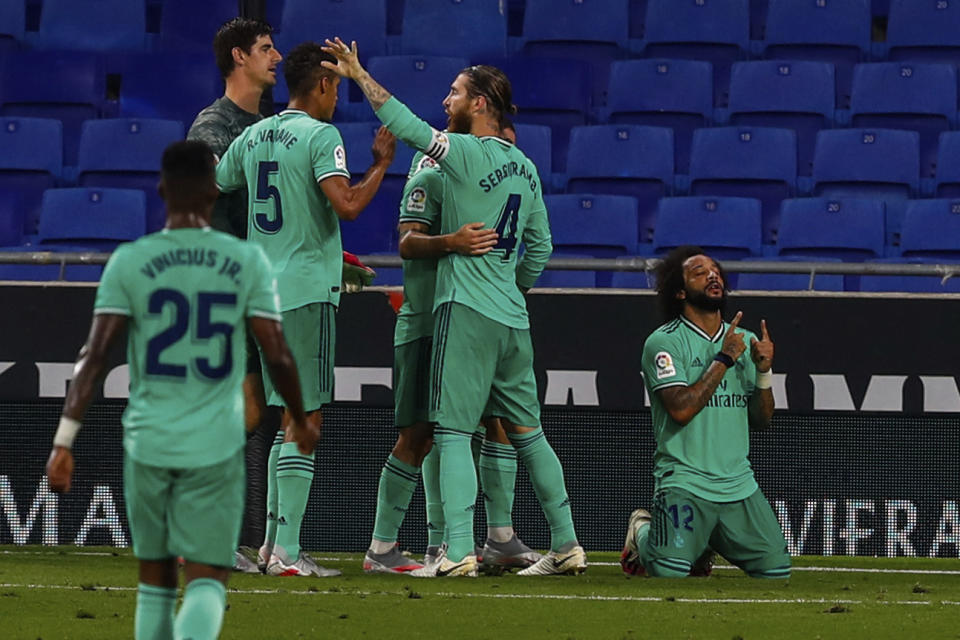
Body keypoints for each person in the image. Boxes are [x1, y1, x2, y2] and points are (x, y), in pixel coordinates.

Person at [323, 38, 585, 577]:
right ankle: (566, 544)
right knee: (529, 434)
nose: (448, 101)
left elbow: (402, 120)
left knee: (451, 433)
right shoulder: (528, 169)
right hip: (513, 317)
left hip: (464, 310)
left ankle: (459, 550)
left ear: (481, 103)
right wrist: (511, 285)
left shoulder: (461, 155)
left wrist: (358, 73)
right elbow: (541, 249)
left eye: (456, 93)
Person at [44, 140, 315, 640]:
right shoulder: (245, 261)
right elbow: (276, 351)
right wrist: (299, 417)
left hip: (149, 443)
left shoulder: (130, 261)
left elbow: (95, 358)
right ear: (214, 192)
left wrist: (63, 441)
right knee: (208, 577)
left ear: (162, 190)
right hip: (215, 445)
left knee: (156, 582)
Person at [217, 41, 396, 577]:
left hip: (259, 292)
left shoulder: (253, 135)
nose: (338, 95)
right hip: (303, 295)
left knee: (282, 420)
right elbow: (348, 205)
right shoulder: (322, 137)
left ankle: (273, 548)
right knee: (305, 418)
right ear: (321, 84)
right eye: (337, 85)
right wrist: (381, 164)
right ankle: (288, 555)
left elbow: (217, 185)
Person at [363, 120, 541, 576]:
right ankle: (400, 545)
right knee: (423, 433)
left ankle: (499, 537)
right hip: (428, 318)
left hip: (472, 316)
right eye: (502, 143)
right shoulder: (433, 168)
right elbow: (405, 242)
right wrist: (452, 243)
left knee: (495, 423)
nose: (505, 156)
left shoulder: (497, 175)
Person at [620, 246, 791, 579]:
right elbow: (681, 409)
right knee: (668, 572)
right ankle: (642, 533)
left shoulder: (746, 340)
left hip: (737, 485)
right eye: (699, 272)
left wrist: (764, 372)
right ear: (680, 291)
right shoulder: (665, 343)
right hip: (685, 481)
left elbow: (762, 420)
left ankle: (701, 544)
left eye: (715, 270)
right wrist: (723, 359)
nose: (713, 275)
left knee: (777, 573)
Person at [186, 15, 282, 575]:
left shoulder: (265, 122)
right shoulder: (214, 124)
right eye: (266, 49)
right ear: (240, 58)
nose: (276, 57)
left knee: (246, 409)